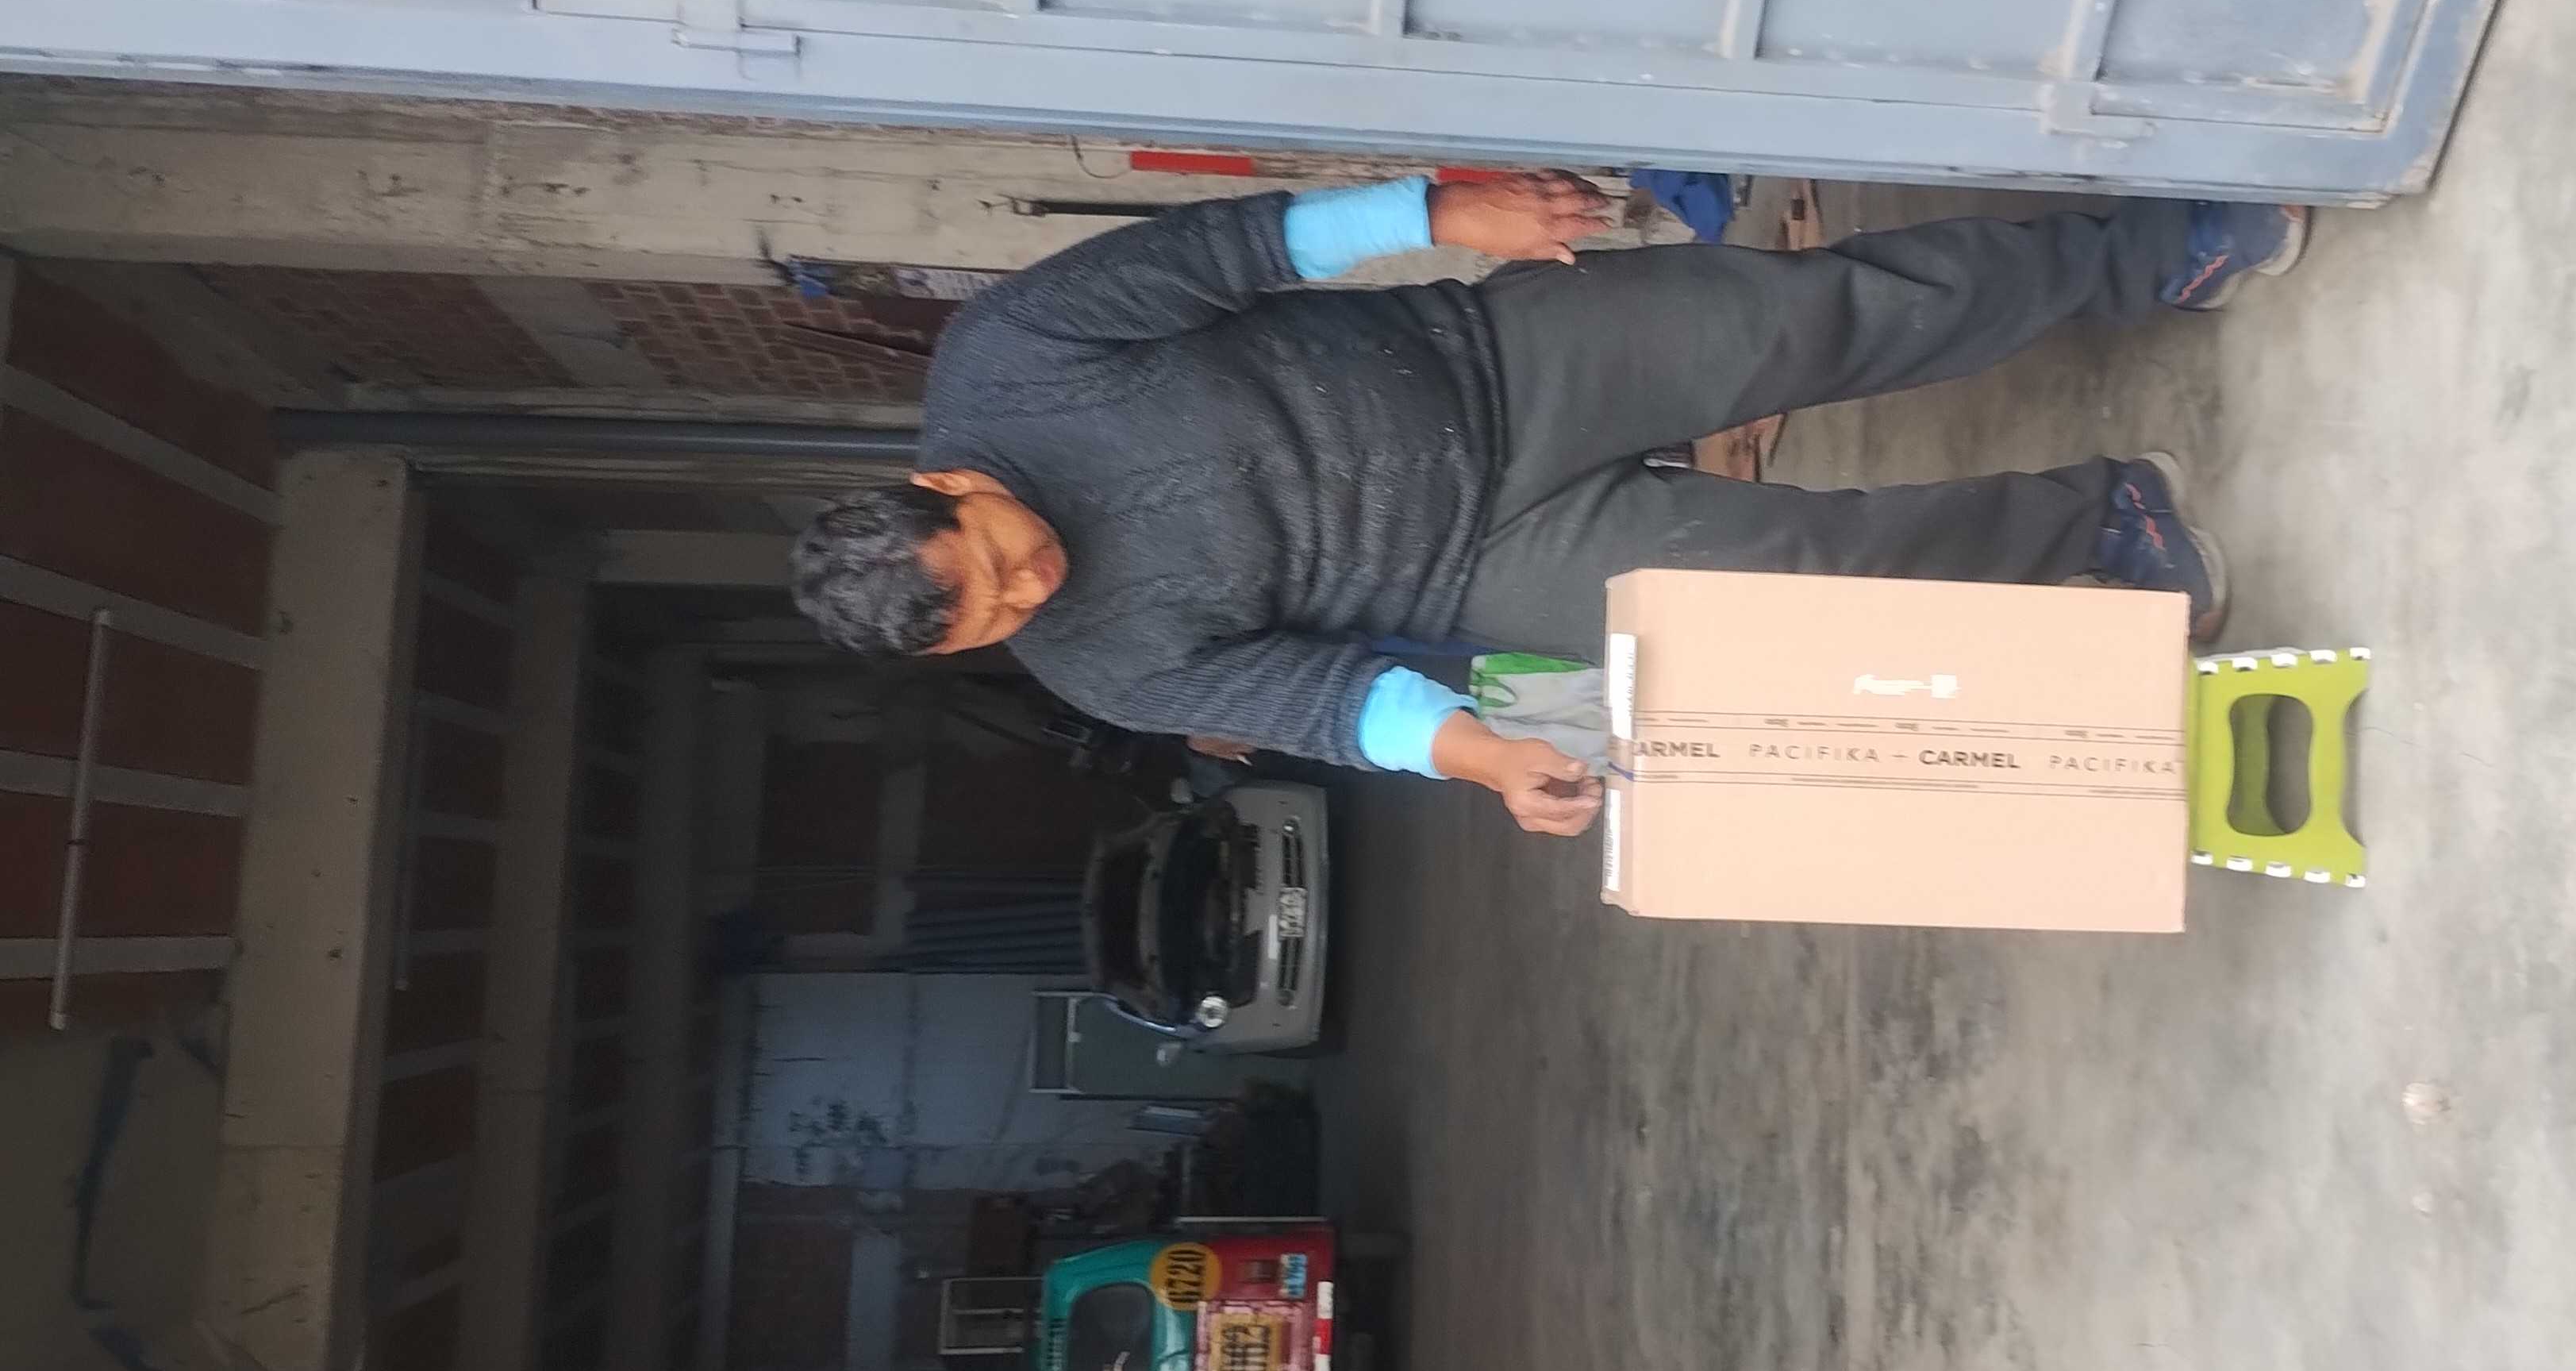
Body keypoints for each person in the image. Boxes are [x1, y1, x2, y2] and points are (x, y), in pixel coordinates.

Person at [790, 173, 2307, 838]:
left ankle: (2154, 251)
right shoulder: (1098, 666)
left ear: (948, 484)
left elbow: (1218, 255)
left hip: (1492, 362)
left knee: (1824, 317)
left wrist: (1439, 213)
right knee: (1805, 590)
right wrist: (1487, 758)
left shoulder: (1012, 356)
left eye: (994, 562)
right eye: (990, 622)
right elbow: (1319, 699)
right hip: (1483, 565)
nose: (1028, 593)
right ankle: (2101, 522)